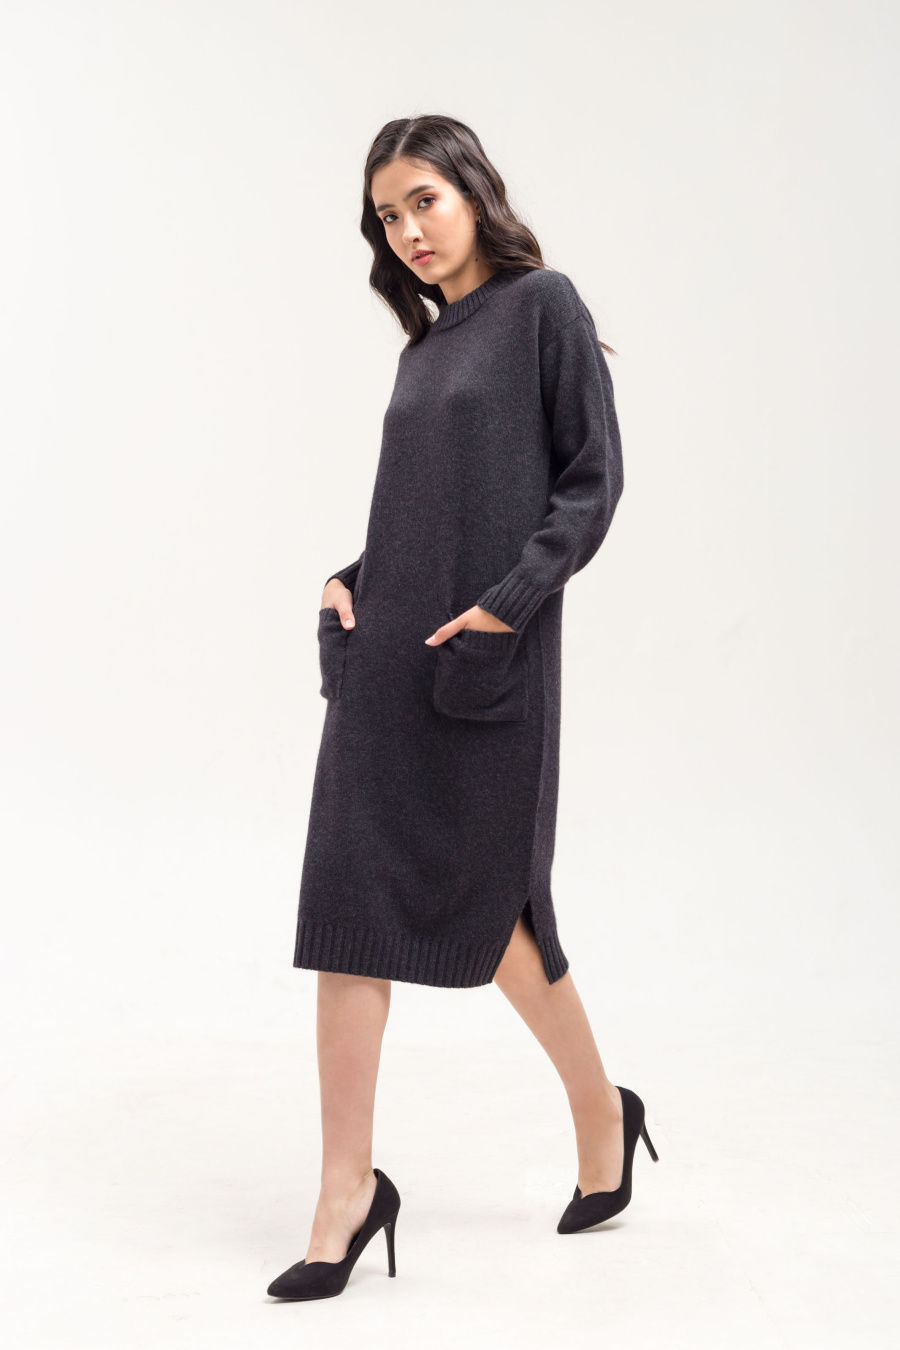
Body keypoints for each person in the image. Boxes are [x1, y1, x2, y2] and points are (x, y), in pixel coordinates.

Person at [267, 114, 658, 1304]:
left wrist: (507, 605)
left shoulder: (544, 310)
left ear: (475, 192)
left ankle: (602, 1111)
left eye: (423, 200)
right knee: (347, 911)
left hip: (487, 661)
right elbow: (415, 514)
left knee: (495, 922)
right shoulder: (424, 350)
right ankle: (346, 1189)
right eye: (388, 215)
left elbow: (591, 484)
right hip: (385, 663)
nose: (408, 230)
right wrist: (351, 580)